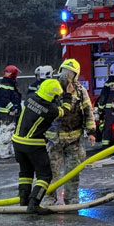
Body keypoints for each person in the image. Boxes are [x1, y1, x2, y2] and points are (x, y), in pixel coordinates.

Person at [12, 79, 71, 214]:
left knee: (25, 173)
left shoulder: (30, 98)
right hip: (33, 144)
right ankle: (34, 203)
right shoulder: (49, 109)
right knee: (44, 176)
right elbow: (64, 112)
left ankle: (24, 201)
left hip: (17, 142)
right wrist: (67, 95)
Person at [45, 59, 97, 205]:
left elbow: (88, 112)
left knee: (72, 172)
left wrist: (91, 131)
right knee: (51, 172)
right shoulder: (51, 87)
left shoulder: (80, 91)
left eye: (71, 73)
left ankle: (71, 198)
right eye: (65, 72)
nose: (66, 75)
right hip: (54, 140)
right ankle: (50, 197)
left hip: (74, 140)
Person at [0, 65, 21, 159]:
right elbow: (4, 99)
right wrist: (12, 108)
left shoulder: (10, 84)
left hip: (11, 112)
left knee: (12, 132)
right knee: (6, 133)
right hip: (7, 113)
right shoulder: (6, 85)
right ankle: (3, 152)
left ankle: (9, 151)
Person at [95, 64, 114, 146]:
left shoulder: (108, 83)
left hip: (109, 110)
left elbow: (103, 96)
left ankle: (105, 145)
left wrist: (100, 108)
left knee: (107, 127)